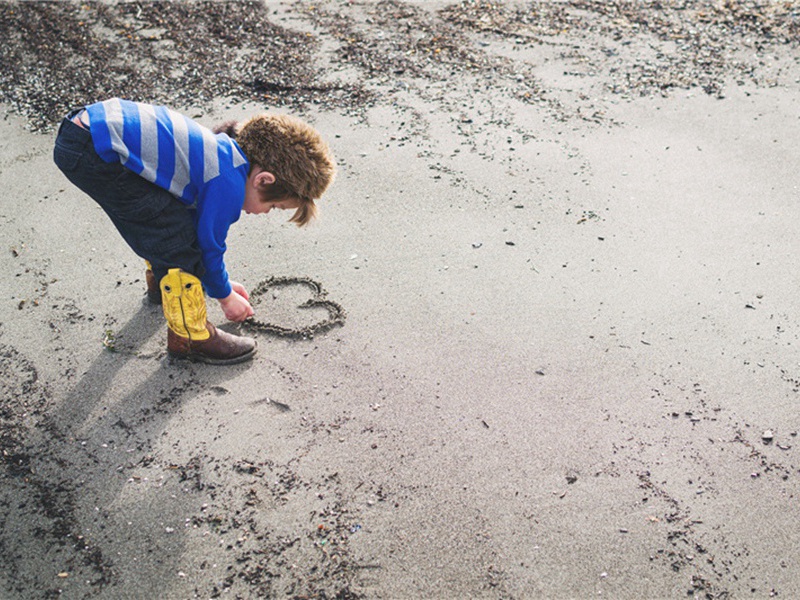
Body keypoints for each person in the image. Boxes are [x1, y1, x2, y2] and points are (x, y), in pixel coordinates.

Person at [53, 98, 336, 365]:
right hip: (96, 151)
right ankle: (190, 336)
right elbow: (209, 246)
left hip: (88, 131)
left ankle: (162, 283)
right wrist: (225, 296)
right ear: (263, 180)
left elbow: (191, 215)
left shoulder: (220, 151)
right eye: (273, 206)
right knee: (175, 240)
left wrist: (219, 282)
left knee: (164, 218)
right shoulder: (227, 181)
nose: (265, 213)